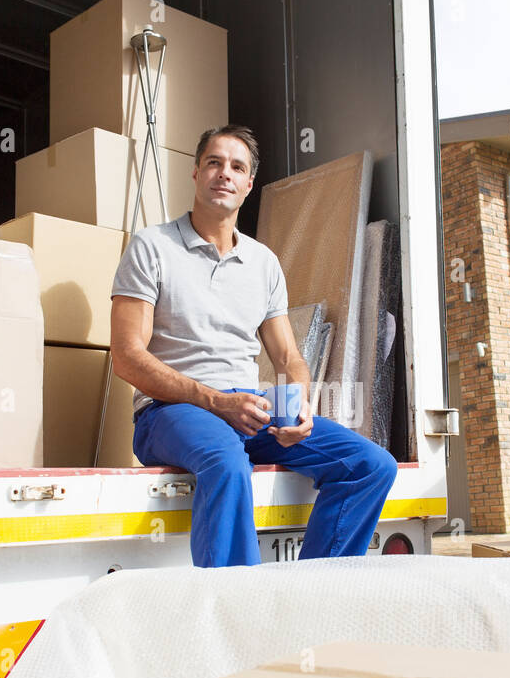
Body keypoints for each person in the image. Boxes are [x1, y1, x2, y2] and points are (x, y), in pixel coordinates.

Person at [109, 124, 398, 567]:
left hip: (248, 409)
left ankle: (316, 591)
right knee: (226, 463)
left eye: (237, 167)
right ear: (195, 172)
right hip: (169, 411)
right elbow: (127, 357)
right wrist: (215, 401)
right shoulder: (152, 247)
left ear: (248, 184)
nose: (224, 173)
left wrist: (300, 400)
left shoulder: (263, 263)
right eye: (214, 162)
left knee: (371, 466)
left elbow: (288, 357)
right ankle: (239, 608)